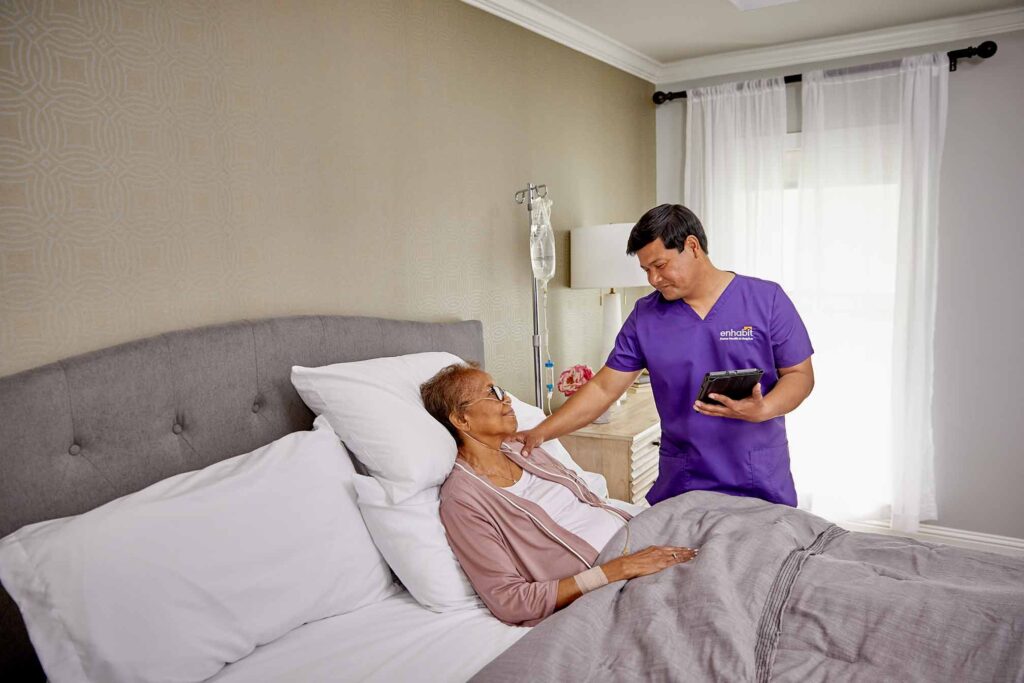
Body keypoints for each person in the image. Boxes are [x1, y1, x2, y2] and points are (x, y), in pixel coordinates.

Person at [517, 204, 815, 507]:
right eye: (646, 270)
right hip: (685, 478)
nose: (653, 279)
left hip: (758, 474)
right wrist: (541, 432)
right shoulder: (646, 316)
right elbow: (603, 388)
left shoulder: (766, 300)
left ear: (692, 246)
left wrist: (764, 409)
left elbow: (800, 375)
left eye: (660, 265)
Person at [421, 363, 698, 626]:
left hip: (643, 541)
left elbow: (592, 502)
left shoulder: (526, 450)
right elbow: (509, 600)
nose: (507, 400)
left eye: (503, 390)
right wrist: (618, 569)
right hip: (614, 581)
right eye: (492, 393)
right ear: (461, 419)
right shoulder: (464, 500)